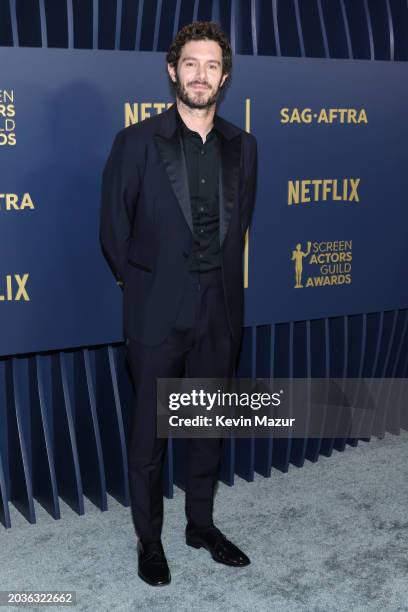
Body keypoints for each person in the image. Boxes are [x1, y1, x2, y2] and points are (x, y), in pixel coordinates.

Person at [99, 20, 258, 587]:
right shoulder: (137, 142)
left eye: (212, 65)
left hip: (220, 310)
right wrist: (148, 286)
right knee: (150, 434)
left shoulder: (245, 145)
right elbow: (113, 234)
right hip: (156, 313)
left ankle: (200, 525)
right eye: (190, 63)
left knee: (207, 426)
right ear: (173, 71)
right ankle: (150, 540)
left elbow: (241, 227)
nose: (200, 75)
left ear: (225, 76)